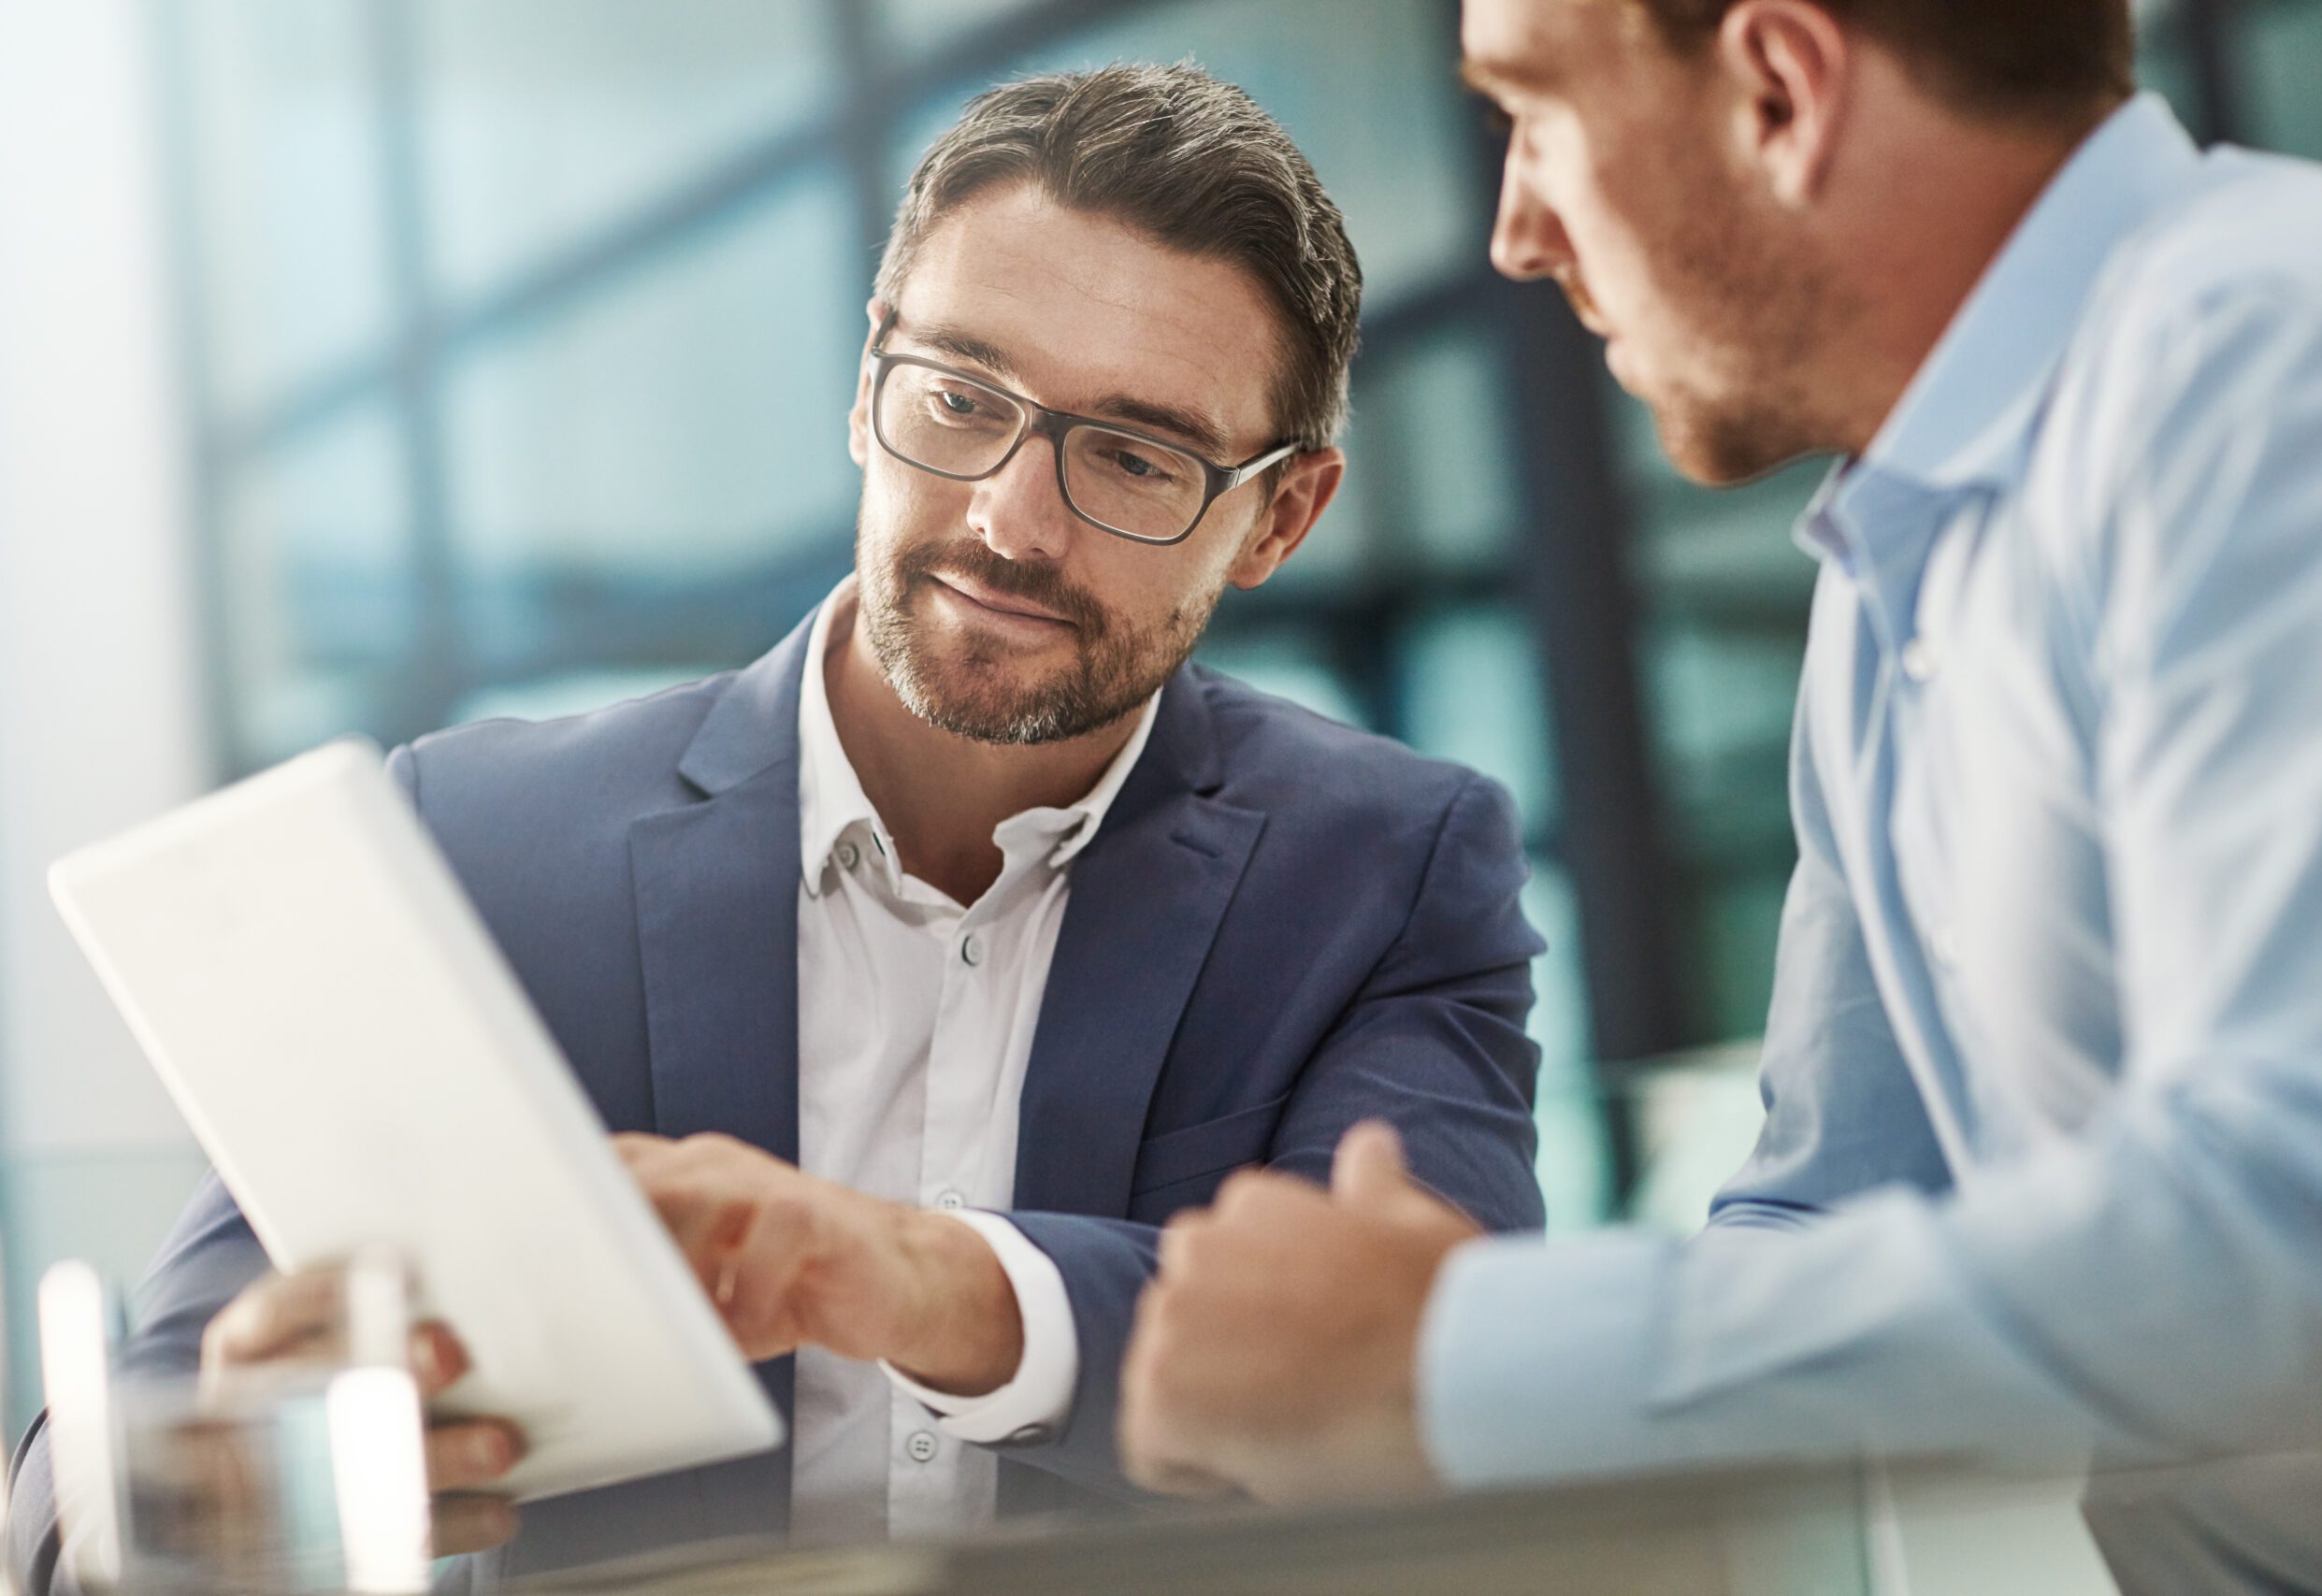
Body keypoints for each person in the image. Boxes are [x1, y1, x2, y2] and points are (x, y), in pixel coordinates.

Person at [9, 64, 1548, 1591]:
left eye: (1135, 457)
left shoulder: (1392, 871)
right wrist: (219, 1485)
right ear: (869, 381)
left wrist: (904, 1278)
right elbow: (85, 1491)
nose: (1012, 521)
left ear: (1280, 517)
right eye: (962, 399)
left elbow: (1446, 1380)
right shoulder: (476, 844)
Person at [1118, 1, 2322, 1589]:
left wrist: (1469, 1361)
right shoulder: (1894, 576)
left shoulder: (2282, 355)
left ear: (1780, 88)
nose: (1517, 231)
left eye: (1537, 111)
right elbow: (1816, 1222)